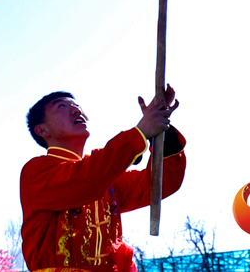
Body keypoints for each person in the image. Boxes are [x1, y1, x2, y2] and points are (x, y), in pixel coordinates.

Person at [20, 86, 186, 272]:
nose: (76, 110)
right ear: (42, 129)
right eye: (62, 106)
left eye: (77, 106)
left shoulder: (106, 176)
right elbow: (86, 180)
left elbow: (159, 184)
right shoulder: (36, 171)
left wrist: (161, 131)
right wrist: (139, 134)